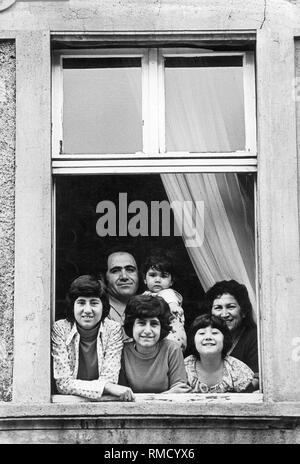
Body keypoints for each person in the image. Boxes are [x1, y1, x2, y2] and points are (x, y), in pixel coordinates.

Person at [51, 275, 134, 401]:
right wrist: (105, 387)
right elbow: (62, 383)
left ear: (103, 306)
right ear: (72, 305)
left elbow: (110, 379)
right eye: (81, 302)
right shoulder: (61, 329)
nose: (88, 310)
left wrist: (107, 386)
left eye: (94, 303)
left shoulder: (113, 329)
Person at [118, 294, 190, 393]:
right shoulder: (122, 351)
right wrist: (166, 394)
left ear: (162, 327)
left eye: (154, 324)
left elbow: (180, 390)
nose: (148, 330)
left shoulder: (172, 349)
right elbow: (122, 393)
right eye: (142, 323)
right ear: (132, 326)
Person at [204, 279, 259, 388]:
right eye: (218, 308)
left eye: (230, 307)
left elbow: (257, 379)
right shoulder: (205, 339)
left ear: (243, 311)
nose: (224, 314)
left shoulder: (254, 338)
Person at [184, 314, 255, 393]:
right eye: (201, 333)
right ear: (193, 340)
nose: (208, 337)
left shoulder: (237, 368)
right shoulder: (184, 368)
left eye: (214, 333)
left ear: (225, 339)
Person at [142, 249, 187, 351]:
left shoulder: (167, 293)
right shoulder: (145, 295)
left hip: (173, 336)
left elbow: (172, 302)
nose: (157, 280)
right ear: (144, 279)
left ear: (171, 282)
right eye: (152, 275)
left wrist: (174, 307)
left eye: (163, 276)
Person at [104, 248, 139, 336]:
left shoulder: (151, 307)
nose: (124, 276)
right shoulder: (98, 313)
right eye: (115, 271)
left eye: (130, 270)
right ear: (103, 277)